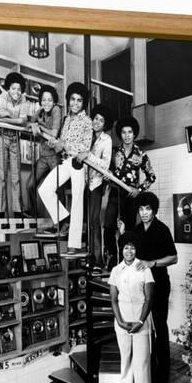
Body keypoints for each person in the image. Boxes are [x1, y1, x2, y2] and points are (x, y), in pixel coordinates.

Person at [119, 191, 178, 383]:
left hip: (160, 285)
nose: (144, 213)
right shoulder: (136, 229)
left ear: (154, 210)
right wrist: (122, 234)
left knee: (160, 327)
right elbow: (131, 252)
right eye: (141, 209)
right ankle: (148, 371)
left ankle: (163, 375)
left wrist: (152, 263)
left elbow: (174, 257)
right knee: (144, 330)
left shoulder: (162, 229)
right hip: (142, 288)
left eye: (148, 209)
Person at [38, 82, 93, 255]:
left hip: (78, 163)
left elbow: (85, 147)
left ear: (83, 103)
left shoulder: (87, 121)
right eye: (73, 99)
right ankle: (64, 219)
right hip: (65, 162)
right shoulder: (66, 119)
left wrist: (64, 145)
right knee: (45, 189)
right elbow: (60, 145)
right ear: (68, 100)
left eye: (79, 100)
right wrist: (54, 144)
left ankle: (74, 244)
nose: (75, 103)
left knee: (77, 203)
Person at [108, 233, 155, 383]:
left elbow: (150, 298)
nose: (129, 251)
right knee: (125, 362)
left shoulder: (144, 268)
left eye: (133, 247)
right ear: (121, 249)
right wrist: (120, 321)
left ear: (137, 249)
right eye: (126, 247)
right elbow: (113, 299)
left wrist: (141, 321)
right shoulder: (115, 271)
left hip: (141, 323)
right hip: (123, 324)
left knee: (141, 364)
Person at [104, 116, 156, 269]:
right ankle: (113, 257)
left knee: (129, 230)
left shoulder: (140, 154)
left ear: (134, 134)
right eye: (124, 132)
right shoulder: (115, 152)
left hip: (130, 197)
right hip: (115, 192)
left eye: (130, 132)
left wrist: (138, 190)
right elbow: (108, 172)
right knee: (108, 225)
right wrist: (108, 177)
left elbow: (151, 176)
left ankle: (128, 262)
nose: (127, 135)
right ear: (120, 134)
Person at [75, 104, 113, 273]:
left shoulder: (107, 140)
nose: (97, 122)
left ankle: (98, 259)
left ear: (105, 124)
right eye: (96, 118)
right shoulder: (86, 134)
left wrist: (88, 155)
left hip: (95, 184)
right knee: (85, 222)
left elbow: (105, 164)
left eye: (101, 120)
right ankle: (89, 256)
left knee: (94, 222)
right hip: (81, 182)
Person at [0, 72, 28, 219]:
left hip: (15, 139)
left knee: (16, 177)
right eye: (14, 88)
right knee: (1, 176)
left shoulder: (24, 99)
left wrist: (6, 119)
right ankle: (0, 211)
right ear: (9, 88)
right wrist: (16, 120)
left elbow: (23, 121)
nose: (16, 92)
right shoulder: (3, 96)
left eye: (19, 89)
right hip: (3, 137)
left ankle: (17, 211)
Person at [26, 85, 62, 217]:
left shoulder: (56, 110)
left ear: (54, 101)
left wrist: (39, 127)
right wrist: (33, 124)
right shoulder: (40, 110)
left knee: (58, 189)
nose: (47, 102)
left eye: (50, 100)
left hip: (54, 156)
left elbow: (54, 133)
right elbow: (29, 122)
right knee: (30, 185)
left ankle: (61, 221)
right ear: (40, 100)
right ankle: (32, 214)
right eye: (44, 99)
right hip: (42, 157)